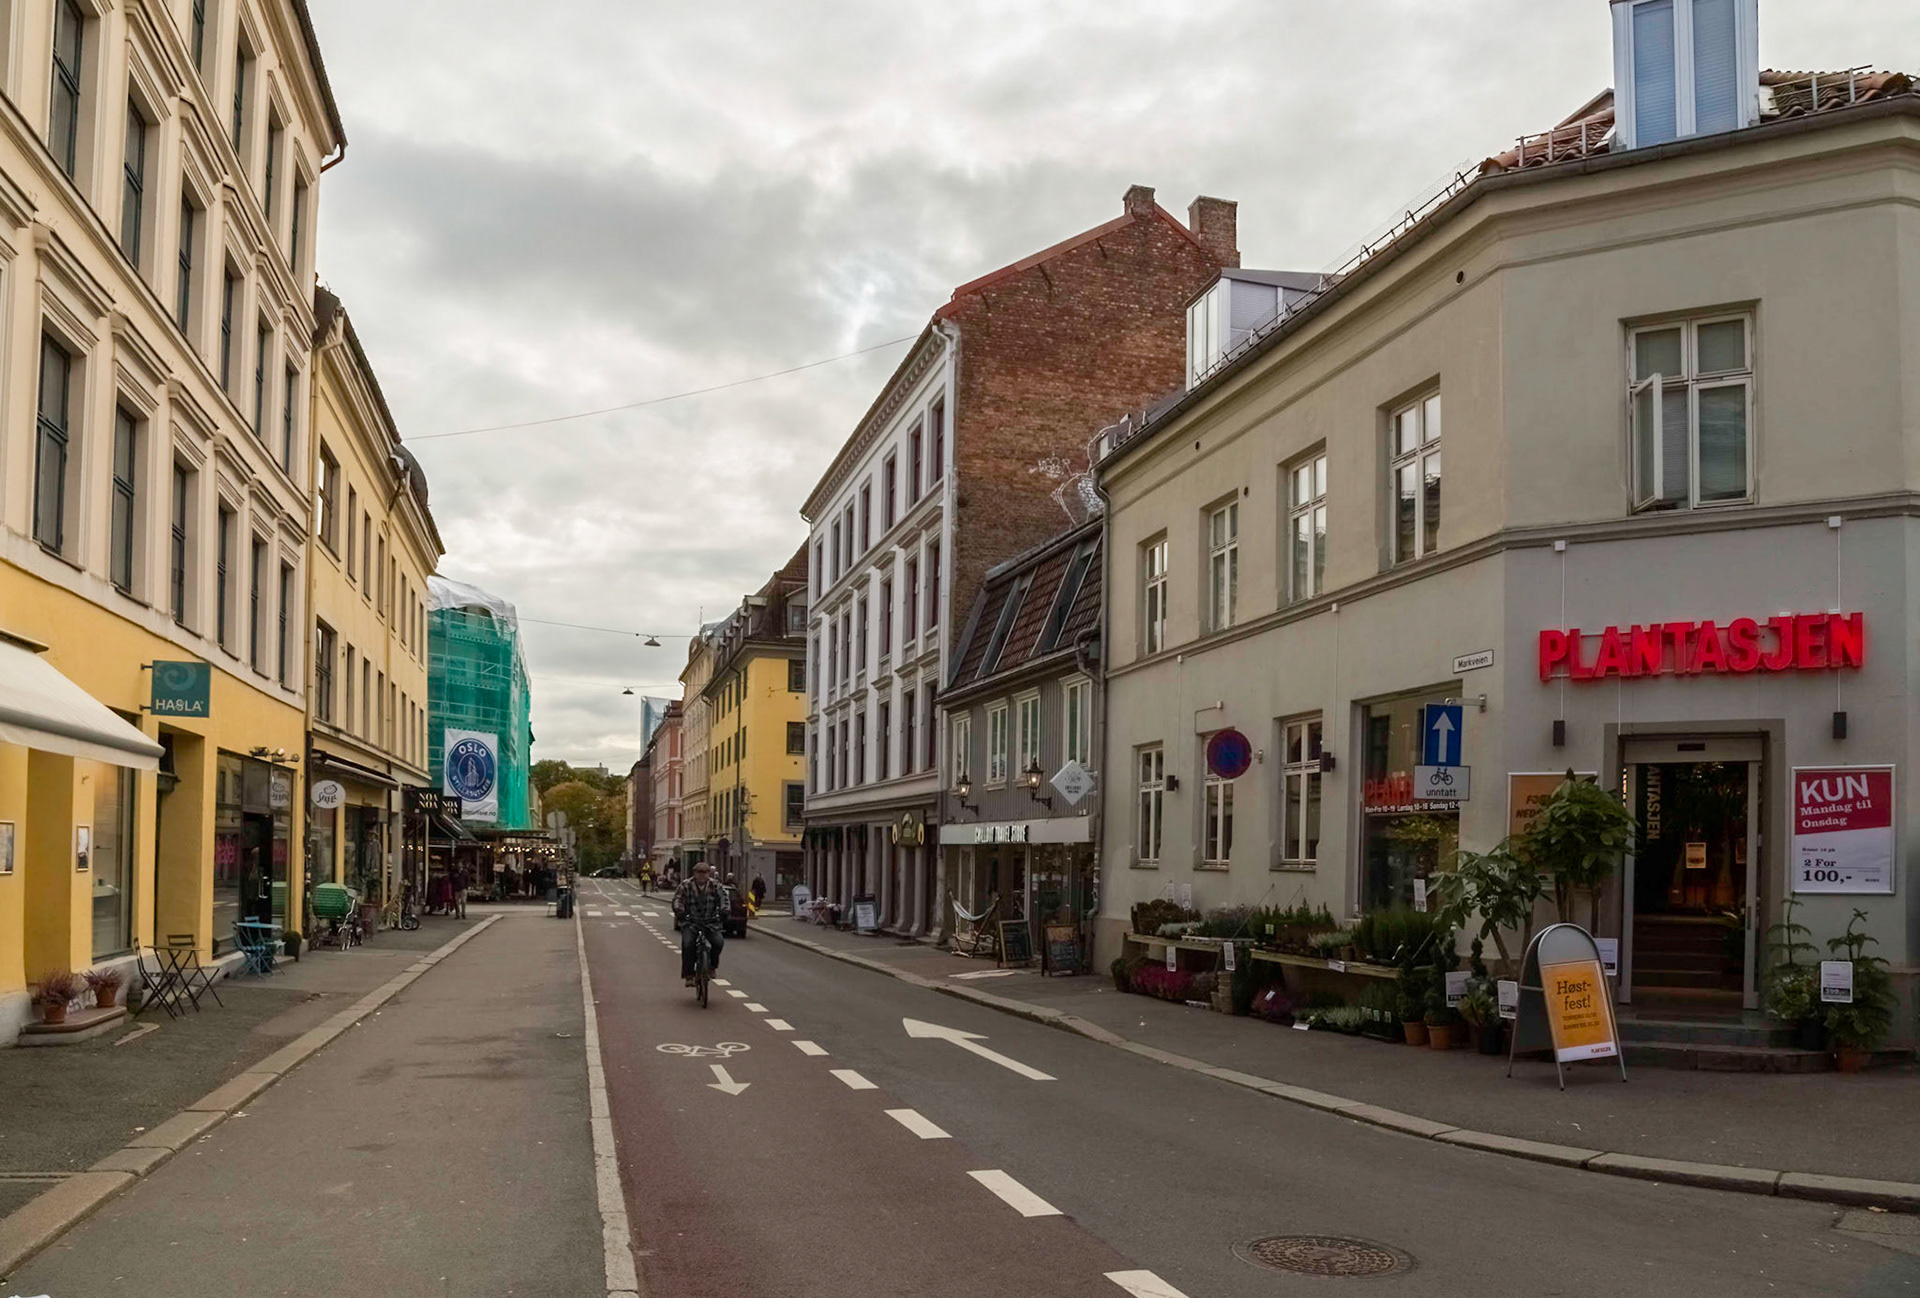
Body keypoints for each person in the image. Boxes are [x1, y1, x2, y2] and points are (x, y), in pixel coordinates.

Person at [674, 861, 728, 986]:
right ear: (694, 873)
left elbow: (724, 899)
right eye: (699, 872)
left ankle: (712, 967)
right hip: (691, 921)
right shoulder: (686, 885)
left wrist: (724, 910)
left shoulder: (715, 885)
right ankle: (689, 975)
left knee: (718, 942)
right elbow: (678, 899)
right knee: (688, 944)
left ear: (709, 873)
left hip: (710, 921)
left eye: (705, 872)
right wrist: (679, 911)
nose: (702, 875)